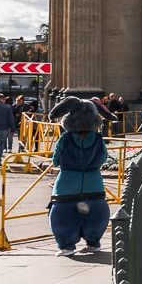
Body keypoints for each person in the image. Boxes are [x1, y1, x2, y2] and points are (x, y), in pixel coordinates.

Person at [47, 97, 109, 255]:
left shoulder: (65, 139)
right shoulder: (98, 138)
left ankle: (67, 245)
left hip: (67, 183)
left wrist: (58, 163)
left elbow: (56, 159)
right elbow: (103, 157)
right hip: (93, 182)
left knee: (63, 213)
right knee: (95, 212)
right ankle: (93, 242)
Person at [0, 94, 15, 167]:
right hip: (3, 129)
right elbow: (11, 119)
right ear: (3, 99)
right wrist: (12, 129)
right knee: (1, 146)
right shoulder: (7, 108)